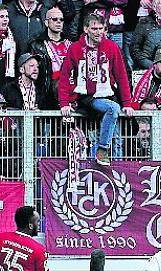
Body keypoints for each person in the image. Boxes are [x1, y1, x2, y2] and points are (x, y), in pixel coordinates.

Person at [58, 14, 135, 166]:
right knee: (113, 109)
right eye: (94, 28)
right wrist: (64, 103)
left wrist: (127, 103)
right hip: (87, 96)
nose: (98, 32)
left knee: (116, 135)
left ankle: (116, 168)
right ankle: (102, 150)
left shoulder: (112, 47)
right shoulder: (75, 48)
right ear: (86, 29)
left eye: (101, 28)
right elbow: (65, 76)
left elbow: (121, 76)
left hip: (108, 93)